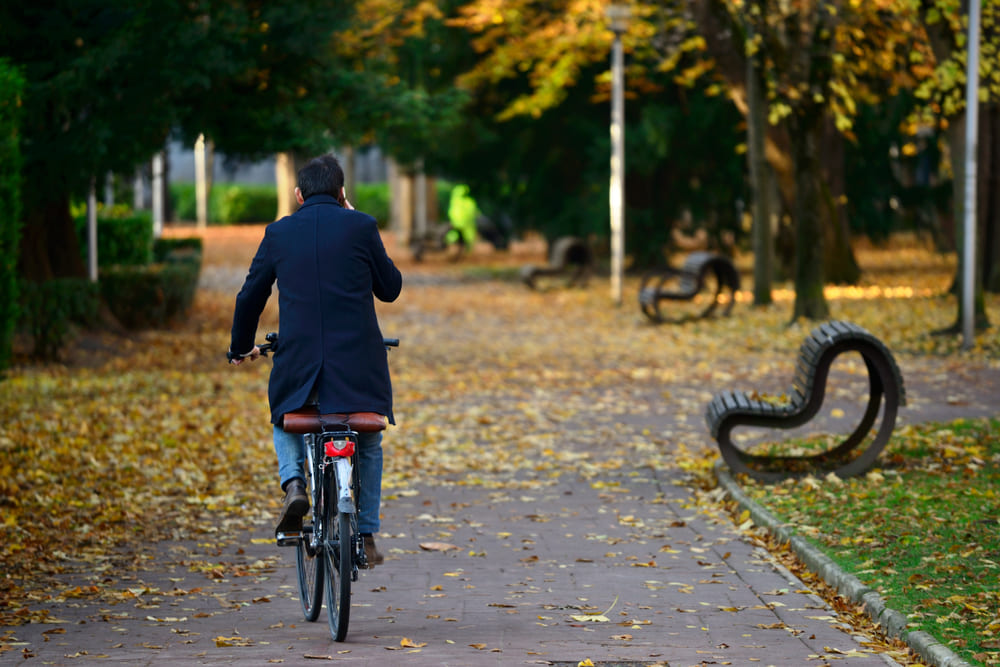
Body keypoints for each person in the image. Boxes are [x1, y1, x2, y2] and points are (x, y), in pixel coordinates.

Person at [229, 154, 402, 567]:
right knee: (371, 438)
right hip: (360, 368)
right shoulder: (361, 226)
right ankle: (366, 530)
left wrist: (240, 347)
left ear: (298, 194)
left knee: (284, 414)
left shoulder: (279, 233)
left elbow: (250, 296)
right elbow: (391, 288)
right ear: (342, 193)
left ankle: (293, 483)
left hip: (299, 364)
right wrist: (358, 218)